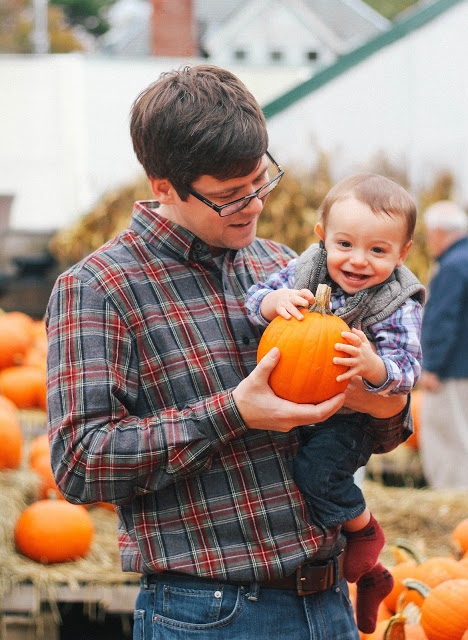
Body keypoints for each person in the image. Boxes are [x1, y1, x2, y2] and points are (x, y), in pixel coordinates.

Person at [45, 65, 412, 640]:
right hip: (209, 612)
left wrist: (381, 400)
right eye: (228, 197)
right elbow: (80, 463)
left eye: (261, 183)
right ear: (162, 184)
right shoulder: (100, 289)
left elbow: (369, 422)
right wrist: (232, 413)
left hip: (327, 599)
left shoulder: (286, 267)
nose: (253, 206)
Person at [246, 173, 424, 632]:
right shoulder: (303, 271)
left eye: (378, 251)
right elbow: (253, 301)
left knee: (319, 473)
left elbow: (408, 369)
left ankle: (365, 531)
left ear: (403, 253)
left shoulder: (398, 301)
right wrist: (274, 302)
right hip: (299, 402)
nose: (358, 261)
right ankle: (372, 576)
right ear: (322, 235)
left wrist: (374, 366)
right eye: (345, 244)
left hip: (349, 420)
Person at [419, 200, 468, 489]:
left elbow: (444, 320)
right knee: (460, 437)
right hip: (465, 367)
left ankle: (454, 498)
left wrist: (432, 367)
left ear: (438, 231)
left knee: (445, 439)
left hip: (449, 371)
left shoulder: (453, 266)